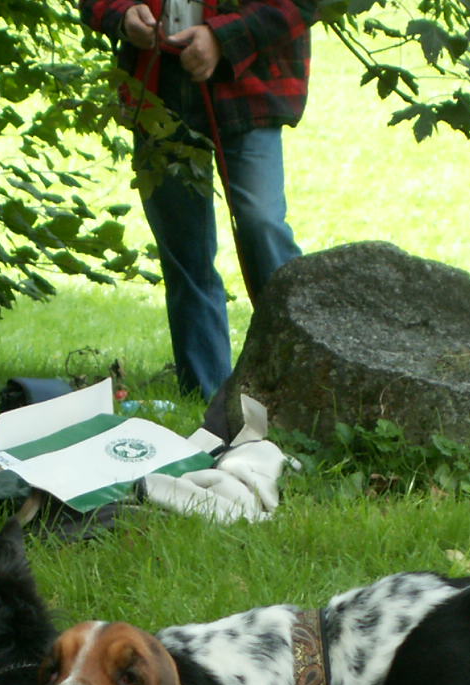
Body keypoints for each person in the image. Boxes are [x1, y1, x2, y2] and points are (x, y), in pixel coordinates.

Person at [82, 0, 316, 400]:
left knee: (261, 225)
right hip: (157, 87)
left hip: (250, 82)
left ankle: (306, 381)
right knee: (184, 252)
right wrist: (123, 14)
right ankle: (208, 399)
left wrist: (223, 38)